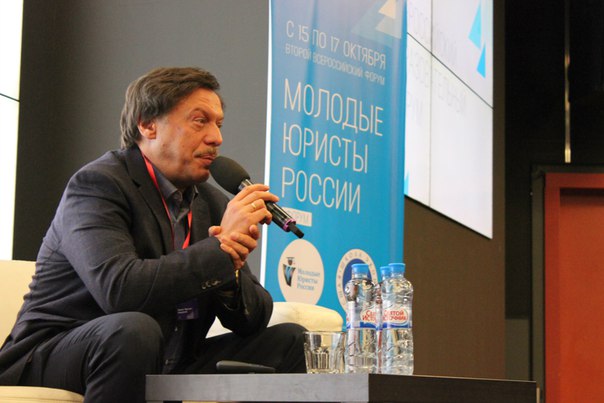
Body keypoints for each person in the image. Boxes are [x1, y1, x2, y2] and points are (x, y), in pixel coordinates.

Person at [0, 67, 306, 402]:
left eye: (218, 124)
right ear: (148, 125)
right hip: (56, 352)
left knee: (292, 341)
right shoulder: (98, 185)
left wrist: (229, 260)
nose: (216, 137)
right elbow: (120, 291)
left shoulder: (212, 203)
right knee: (134, 330)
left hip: (167, 359)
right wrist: (218, 249)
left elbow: (253, 320)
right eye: (200, 121)